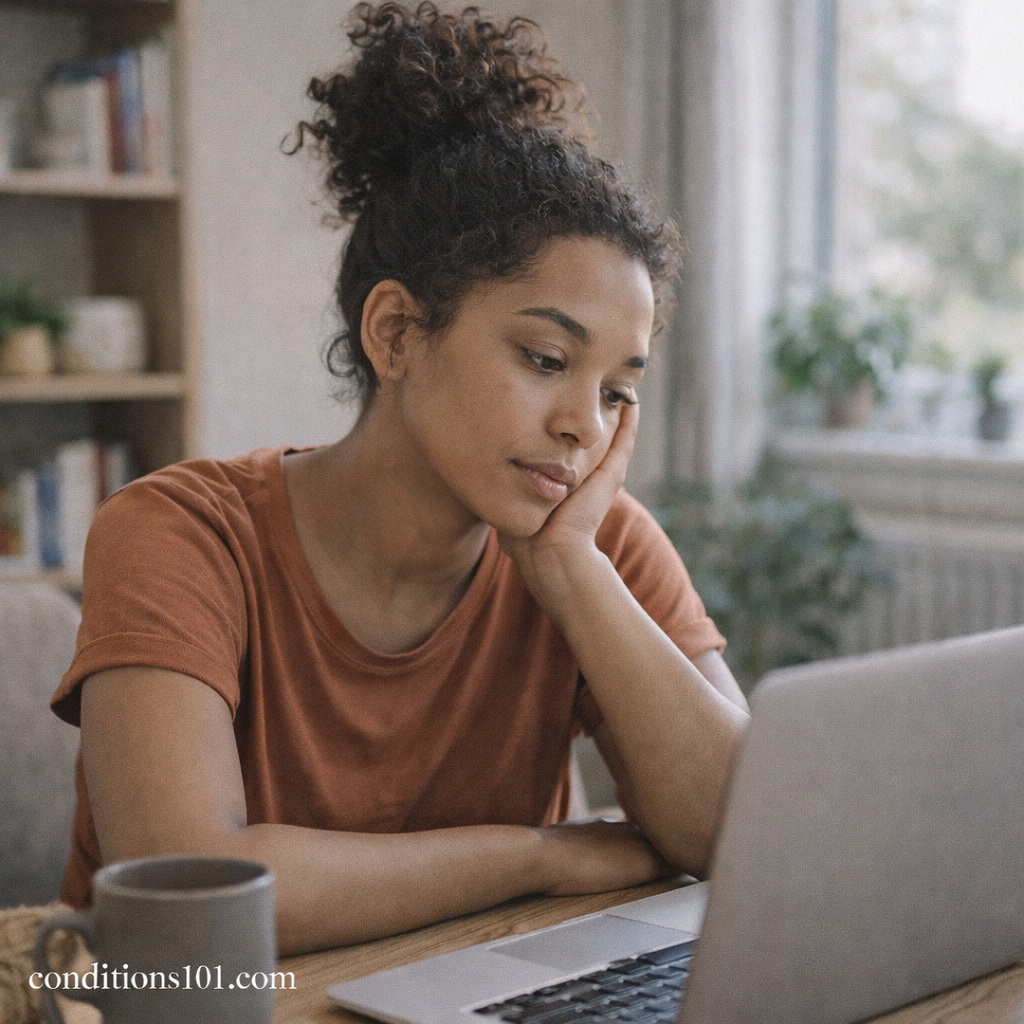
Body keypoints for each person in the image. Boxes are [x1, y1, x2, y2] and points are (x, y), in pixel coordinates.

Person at [50, 1, 750, 955]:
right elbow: (195, 892)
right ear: (395, 334)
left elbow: (740, 835)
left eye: (620, 393)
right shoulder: (179, 532)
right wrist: (541, 856)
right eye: (547, 359)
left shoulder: (599, 546)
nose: (584, 424)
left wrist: (574, 579)